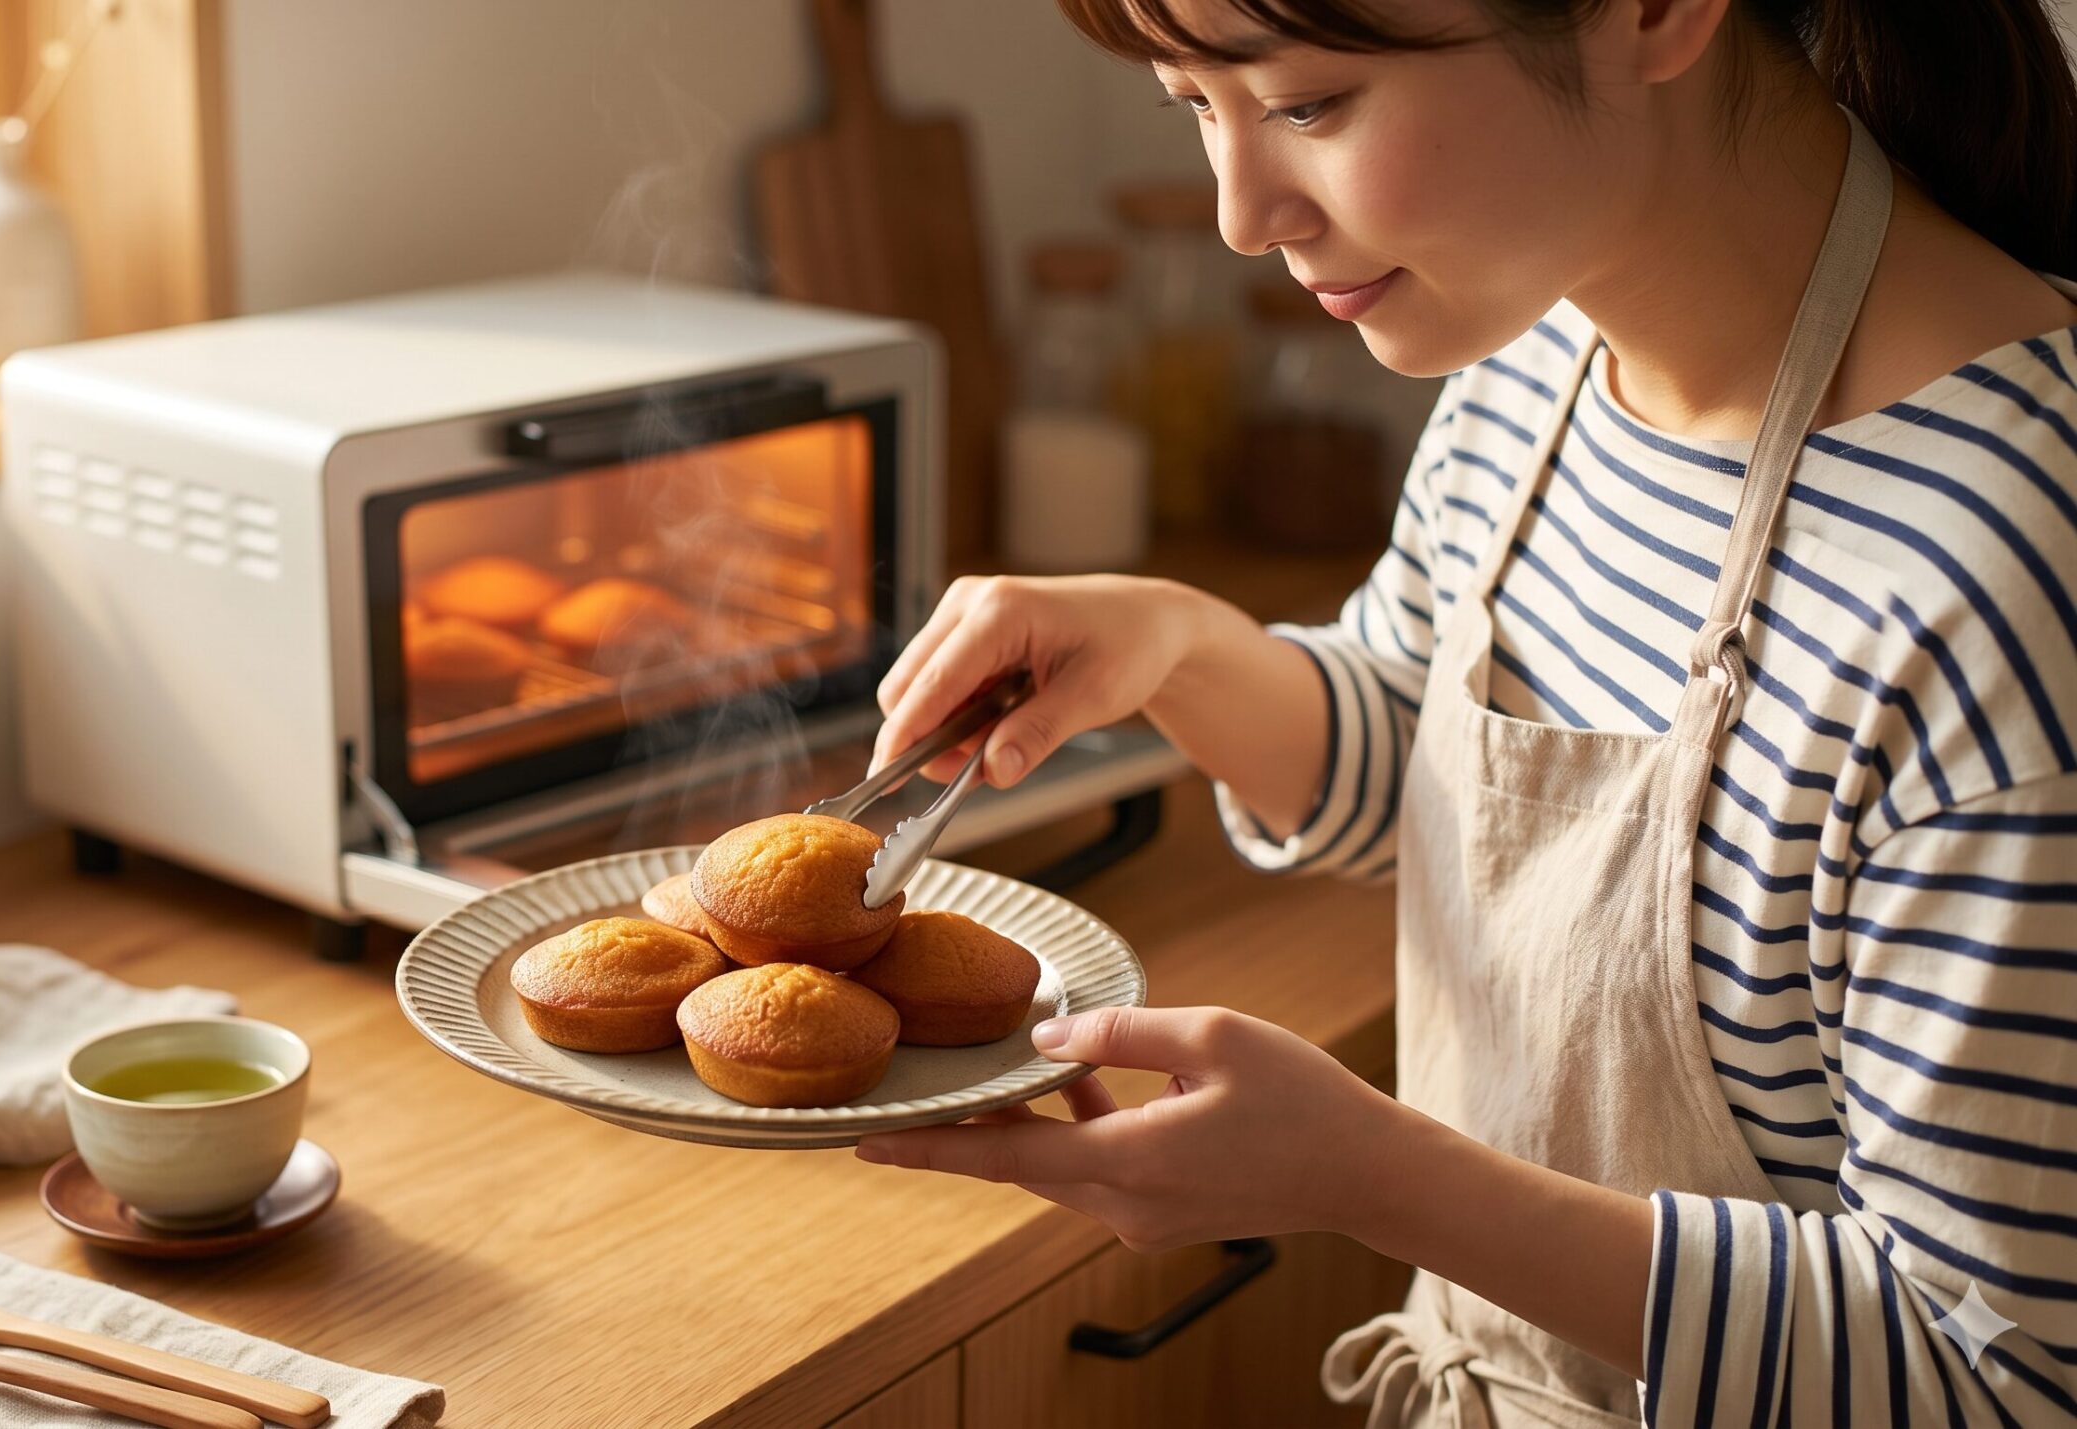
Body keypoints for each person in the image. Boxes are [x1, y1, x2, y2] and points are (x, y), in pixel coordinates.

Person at [847, 0, 2077, 1423]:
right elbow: (1430, 762)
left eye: (1308, 105)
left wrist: (1372, 1176)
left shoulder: (2001, 580)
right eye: (1196, 103)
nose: (1242, 215)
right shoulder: (1539, 357)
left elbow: (1998, 1377)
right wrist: (1174, 646)